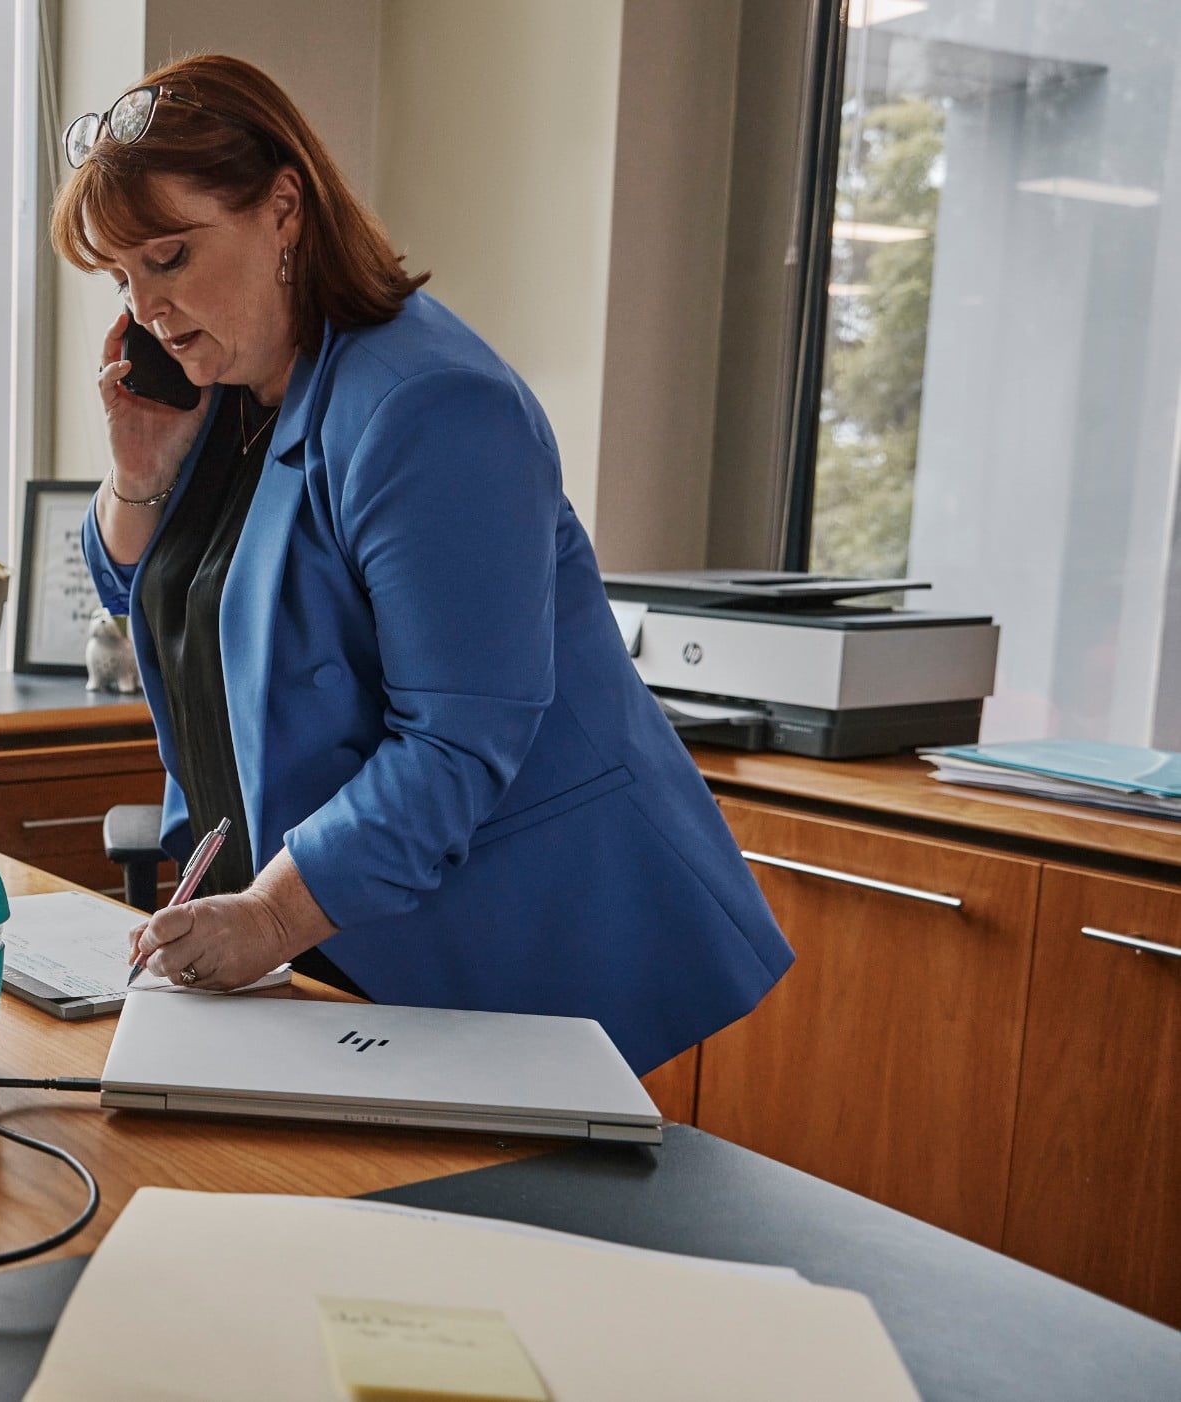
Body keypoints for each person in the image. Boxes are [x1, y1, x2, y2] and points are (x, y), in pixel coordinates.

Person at [54, 54, 792, 1074]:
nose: (143, 310)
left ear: (283, 210)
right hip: (326, 947)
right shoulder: (227, 388)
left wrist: (268, 917)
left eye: (170, 257)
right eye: (119, 277)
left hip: (487, 962)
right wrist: (137, 467)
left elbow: (455, 741)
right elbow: (155, 606)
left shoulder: (428, 407)